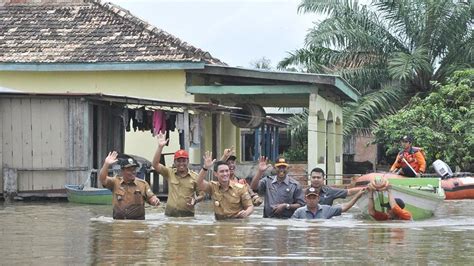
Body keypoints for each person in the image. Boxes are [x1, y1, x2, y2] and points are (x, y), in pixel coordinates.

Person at [152, 132, 205, 217]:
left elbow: (202, 194)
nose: (181, 164)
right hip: (170, 216)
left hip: (187, 217)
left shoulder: (195, 177)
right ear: (174, 162)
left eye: (183, 161)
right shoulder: (169, 173)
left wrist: (195, 200)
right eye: (178, 161)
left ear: (188, 161)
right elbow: (155, 164)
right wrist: (160, 147)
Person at [99, 151, 160, 220]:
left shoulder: (143, 184)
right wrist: (106, 164)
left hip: (137, 224)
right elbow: (102, 179)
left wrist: (155, 200)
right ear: (122, 171)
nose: (133, 172)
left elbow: (151, 197)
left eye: (134, 169)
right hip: (118, 224)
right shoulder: (115, 182)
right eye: (129, 170)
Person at [197, 151, 254, 220]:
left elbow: (250, 206)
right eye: (222, 171)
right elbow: (199, 183)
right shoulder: (213, 187)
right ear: (215, 174)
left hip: (236, 224)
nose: (225, 174)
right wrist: (205, 168)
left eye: (227, 171)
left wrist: (246, 213)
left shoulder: (240, 188)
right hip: (219, 224)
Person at [292, 187, 366, 219]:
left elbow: (345, 207)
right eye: (309, 198)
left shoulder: (326, 209)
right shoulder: (299, 212)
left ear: (318, 198)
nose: (312, 200)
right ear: (305, 199)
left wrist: (357, 196)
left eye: (314, 198)